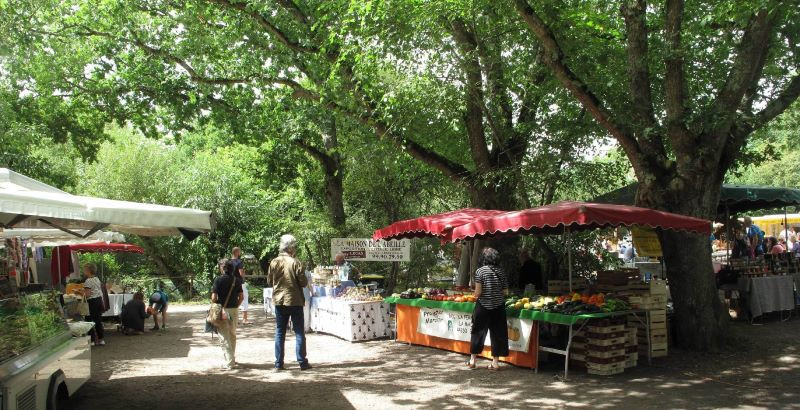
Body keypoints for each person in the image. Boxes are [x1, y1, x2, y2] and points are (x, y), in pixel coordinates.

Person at [267, 234, 311, 371]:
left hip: (280, 301)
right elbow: (304, 283)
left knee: (280, 332)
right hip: (295, 300)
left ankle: (278, 364)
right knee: (299, 332)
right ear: (291, 248)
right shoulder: (296, 262)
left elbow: (269, 281)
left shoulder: (274, 262)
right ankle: (302, 362)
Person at [467, 247, 509, 371]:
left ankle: (472, 361)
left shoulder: (480, 271)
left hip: (483, 307)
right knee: (498, 334)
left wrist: (474, 293)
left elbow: (478, 293)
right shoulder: (501, 271)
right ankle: (495, 363)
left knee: (478, 333)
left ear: (483, 258)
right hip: (498, 307)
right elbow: (506, 291)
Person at [212, 259, 244, 369]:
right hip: (234, 310)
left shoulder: (218, 280)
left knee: (224, 336)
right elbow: (241, 297)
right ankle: (231, 358)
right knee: (232, 334)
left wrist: (217, 306)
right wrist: (236, 305)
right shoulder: (237, 280)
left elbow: (214, 297)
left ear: (222, 267)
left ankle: (229, 362)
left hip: (223, 310)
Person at [82, 263, 106, 346]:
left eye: (84, 270)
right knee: (98, 320)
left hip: (91, 302)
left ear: (88, 270)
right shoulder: (97, 279)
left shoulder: (88, 281)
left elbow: (88, 294)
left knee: (89, 320)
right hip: (99, 300)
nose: (83, 271)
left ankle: (92, 340)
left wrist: (80, 292)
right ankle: (101, 339)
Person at [230, 248, 251, 325]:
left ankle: (234, 318)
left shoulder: (228, 262)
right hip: (240, 283)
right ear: (237, 252)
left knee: (233, 299)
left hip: (231, 283)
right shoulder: (239, 261)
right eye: (239, 251)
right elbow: (241, 274)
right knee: (244, 299)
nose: (240, 253)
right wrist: (244, 273)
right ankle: (244, 319)